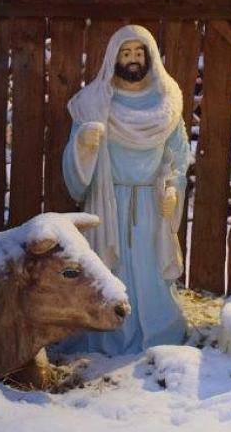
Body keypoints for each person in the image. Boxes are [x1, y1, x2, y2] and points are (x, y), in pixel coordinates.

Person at [61, 25, 189, 355]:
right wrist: (84, 145)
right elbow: (74, 163)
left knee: (151, 275)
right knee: (109, 272)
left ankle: (159, 333)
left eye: (139, 53)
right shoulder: (93, 102)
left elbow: (178, 155)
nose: (133, 59)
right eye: (126, 52)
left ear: (150, 56)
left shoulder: (167, 101)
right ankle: (108, 334)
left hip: (151, 203)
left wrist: (172, 189)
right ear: (113, 58)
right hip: (108, 201)